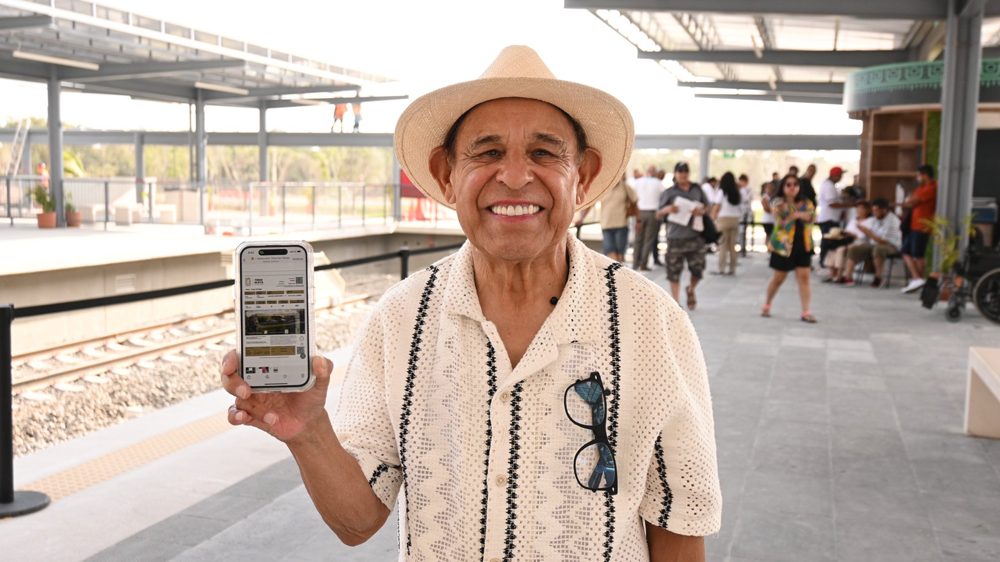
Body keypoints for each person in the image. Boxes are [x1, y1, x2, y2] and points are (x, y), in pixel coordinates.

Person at [218, 45, 721, 561]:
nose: (516, 176)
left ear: (584, 176)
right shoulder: (399, 320)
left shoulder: (650, 322)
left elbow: (679, 525)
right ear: (446, 175)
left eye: (545, 153)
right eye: (487, 153)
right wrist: (307, 433)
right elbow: (358, 521)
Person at [761, 174, 817, 322]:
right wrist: (800, 214)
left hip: (803, 244)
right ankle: (767, 303)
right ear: (783, 187)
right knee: (779, 278)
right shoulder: (779, 201)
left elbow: (812, 216)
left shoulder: (806, 202)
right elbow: (780, 212)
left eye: (795, 184)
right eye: (789, 185)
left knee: (804, 277)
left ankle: (806, 311)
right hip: (783, 246)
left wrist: (800, 214)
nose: (792, 188)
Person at [656, 161, 710, 309]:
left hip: (695, 236)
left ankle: (691, 289)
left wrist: (702, 211)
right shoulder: (669, 192)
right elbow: (658, 214)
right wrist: (667, 210)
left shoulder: (697, 189)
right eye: (680, 171)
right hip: (675, 238)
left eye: (686, 171)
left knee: (698, 270)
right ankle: (676, 303)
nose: (683, 174)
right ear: (675, 174)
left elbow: (708, 207)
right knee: (674, 271)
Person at [578, 171, 638, 263]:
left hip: (621, 225)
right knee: (610, 253)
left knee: (619, 255)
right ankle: (615, 275)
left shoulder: (625, 186)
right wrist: (581, 219)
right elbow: (591, 204)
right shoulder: (603, 188)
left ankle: (618, 275)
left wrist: (639, 220)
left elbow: (635, 202)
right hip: (606, 225)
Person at [843, 198, 903, 288]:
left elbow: (882, 241)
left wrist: (867, 231)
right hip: (874, 243)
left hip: (890, 245)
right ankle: (848, 277)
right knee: (854, 249)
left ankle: (878, 277)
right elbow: (874, 238)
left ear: (884, 210)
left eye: (876, 211)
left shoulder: (893, 221)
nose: (874, 213)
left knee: (878, 249)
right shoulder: (876, 219)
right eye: (873, 210)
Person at [900, 164, 938, 294]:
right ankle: (916, 279)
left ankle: (918, 279)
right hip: (913, 225)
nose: (917, 178)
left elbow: (911, 201)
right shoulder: (921, 188)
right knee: (905, 252)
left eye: (918, 175)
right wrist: (909, 199)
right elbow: (909, 200)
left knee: (918, 254)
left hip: (923, 226)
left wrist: (910, 200)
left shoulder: (932, 188)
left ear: (925, 175)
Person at [822, 200, 872, 283]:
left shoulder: (870, 221)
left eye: (862, 209)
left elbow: (864, 235)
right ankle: (832, 274)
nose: (860, 211)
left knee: (841, 250)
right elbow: (847, 230)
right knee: (834, 248)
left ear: (867, 210)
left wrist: (855, 234)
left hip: (860, 242)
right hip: (848, 241)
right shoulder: (854, 220)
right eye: (858, 209)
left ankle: (839, 275)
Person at [815, 166, 855, 267]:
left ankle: (825, 263)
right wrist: (847, 204)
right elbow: (831, 203)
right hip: (829, 219)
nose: (841, 177)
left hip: (830, 218)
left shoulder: (831, 185)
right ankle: (823, 263)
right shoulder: (828, 186)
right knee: (828, 242)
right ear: (835, 175)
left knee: (828, 242)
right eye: (840, 175)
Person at [632, 164, 666, 271]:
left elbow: (632, 196)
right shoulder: (659, 183)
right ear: (655, 172)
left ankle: (635, 263)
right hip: (652, 213)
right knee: (648, 239)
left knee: (638, 239)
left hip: (639, 213)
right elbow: (664, 198)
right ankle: (643, 263)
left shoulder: (638, 182)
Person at [712, 172, 742, 275]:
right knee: (732, 246)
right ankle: (732, 269)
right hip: (735, 220)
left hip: (723, 219)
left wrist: (713, 217)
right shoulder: (737, 192)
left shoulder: (722, 191)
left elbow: (717, 206)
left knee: (723, 246)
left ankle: (721, 268)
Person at [737, 174, 753, 256]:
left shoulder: (749, 189)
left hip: (746, 212)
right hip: (739, 212)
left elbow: (746, 199)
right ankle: (741, 246)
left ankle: (743, 248)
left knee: (743, 231)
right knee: (740, 231)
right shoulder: (739, 189)